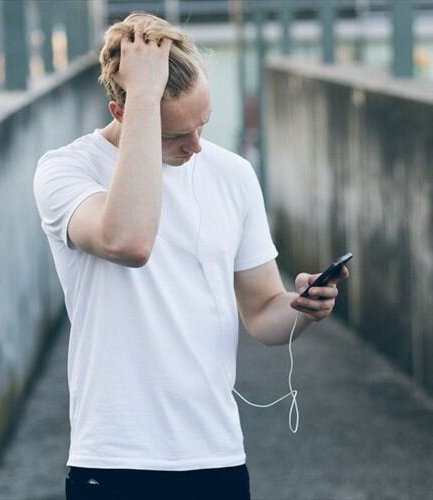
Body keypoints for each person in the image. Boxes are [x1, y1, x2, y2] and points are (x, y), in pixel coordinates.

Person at [32, 12, 349, 500]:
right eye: (177, 135)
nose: (197, 146)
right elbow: (129, 241)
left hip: (215, 455)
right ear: (123, 112)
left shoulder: (233, 175)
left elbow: (263, 313)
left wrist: (303, 308)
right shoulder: (66, 172)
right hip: (114, 459)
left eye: (203, 123)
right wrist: (142, 98)